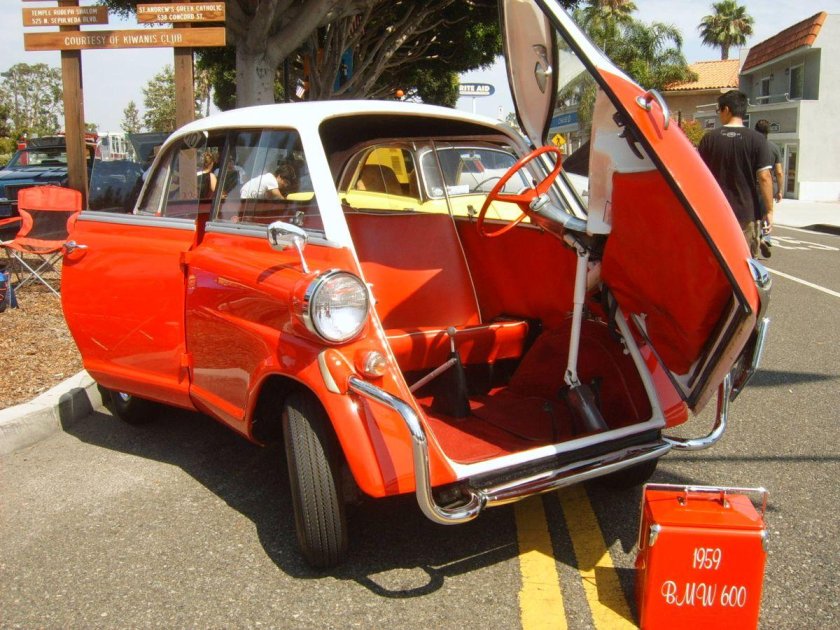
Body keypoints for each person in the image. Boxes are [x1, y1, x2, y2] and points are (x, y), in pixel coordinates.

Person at [698, 90, 774, 257]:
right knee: (745, 262)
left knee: (715, 259)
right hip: (745, 212)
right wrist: (769, 210)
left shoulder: (709, 139)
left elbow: (699, 176)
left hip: (715, 211)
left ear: (726, 109)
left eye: (719, 111)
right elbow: (765, 177)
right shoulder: (758, 140)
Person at [754, 119, 784, 258]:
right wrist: (780, 190)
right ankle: (766, 237)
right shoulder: (774, 148)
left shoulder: (752, 146)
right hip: (767, 186)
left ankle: (755, 238)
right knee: (767, 212)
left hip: (752, 184)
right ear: (768, 132)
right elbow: (778, 171)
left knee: (753, 215)